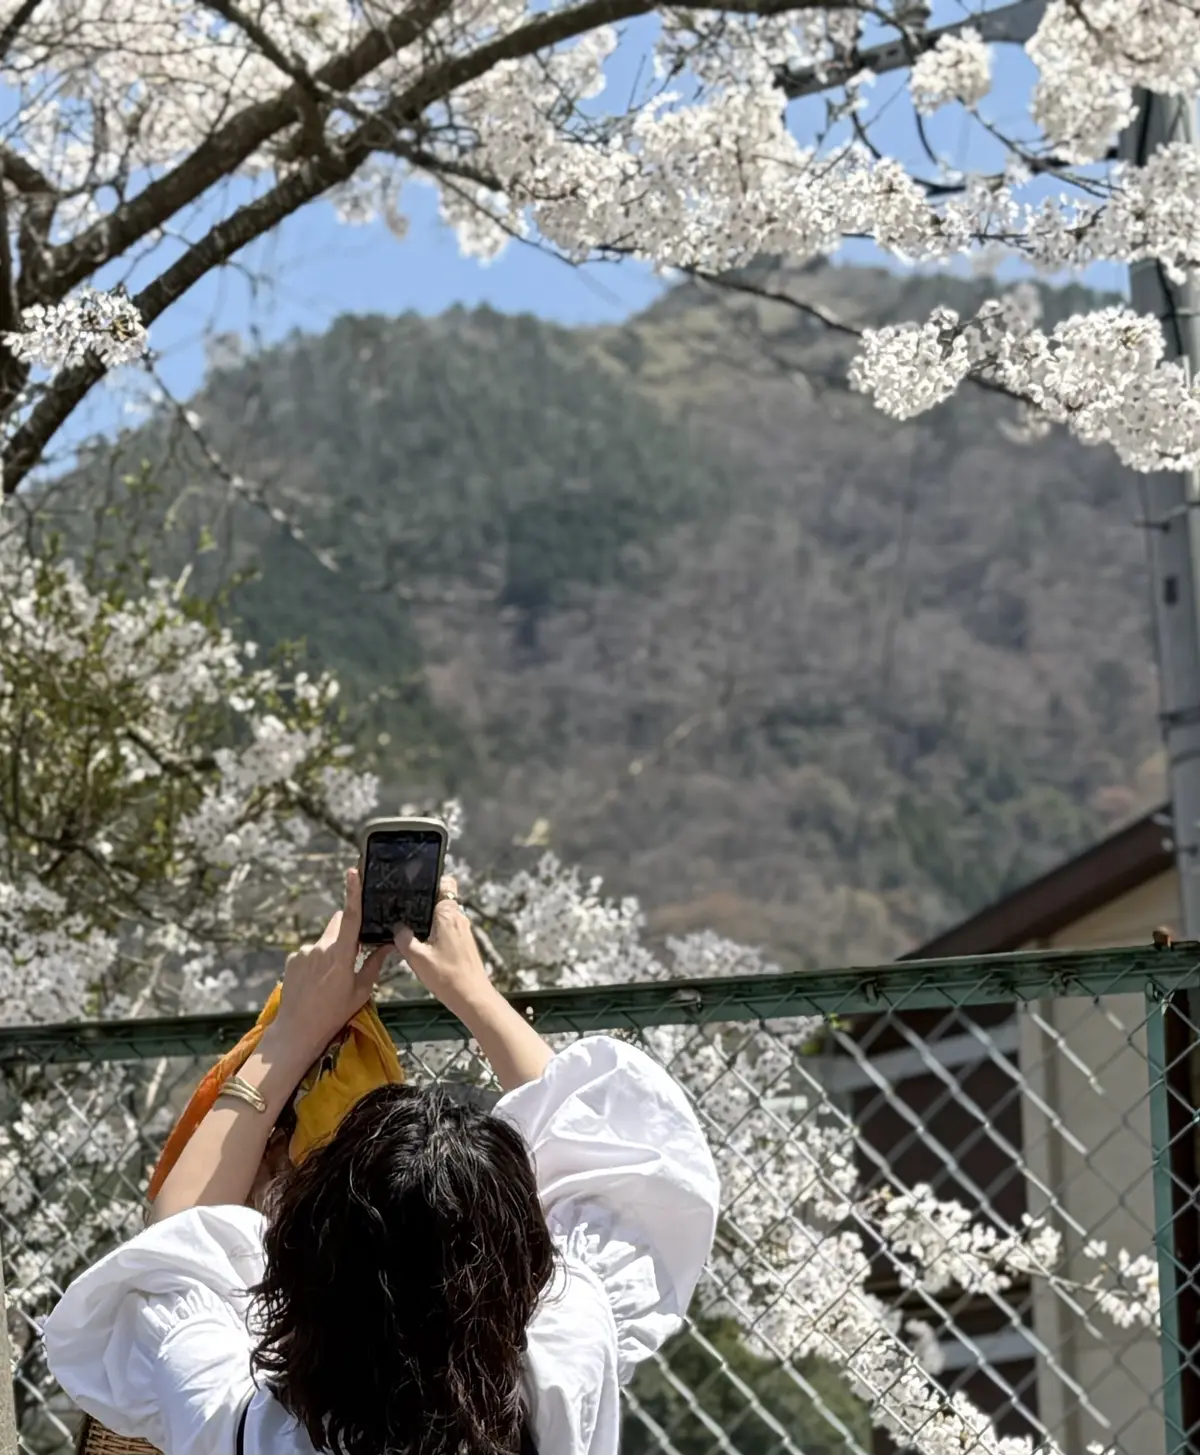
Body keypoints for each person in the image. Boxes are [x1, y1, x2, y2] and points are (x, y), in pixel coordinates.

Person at [42, 869, 721, 1455]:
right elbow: (623, 1154)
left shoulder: (249, 1423)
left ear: (304, 1254)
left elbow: (173, 1245)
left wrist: (292, 1033)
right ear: (529, 1265)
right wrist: (473, 991)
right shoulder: (563, 1371)